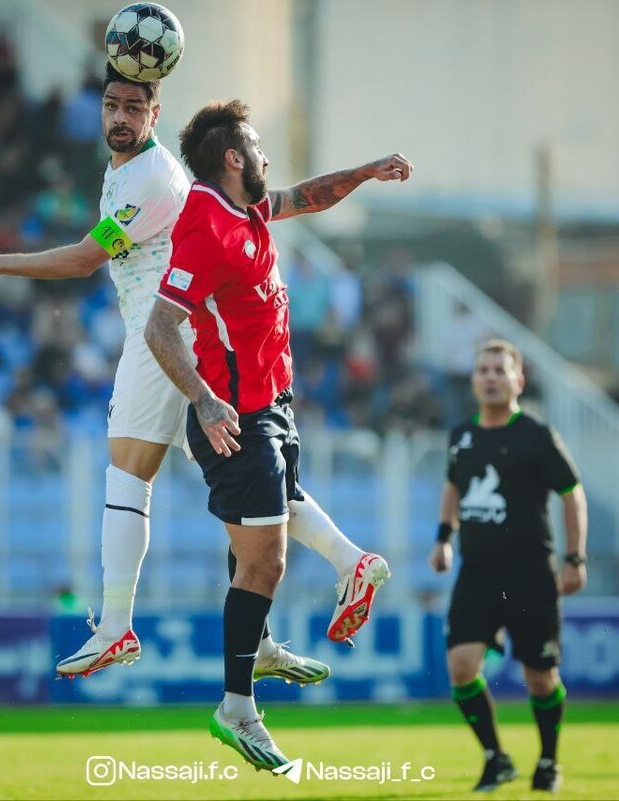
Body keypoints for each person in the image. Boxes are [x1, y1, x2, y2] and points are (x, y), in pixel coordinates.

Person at [0, 66, 356, 685]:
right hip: (182, 336)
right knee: (247, 484)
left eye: (134, 107)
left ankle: (115, 630)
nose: (120, 117)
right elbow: (286, 202)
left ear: (154, 115)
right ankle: (338, 573)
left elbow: (84, 259)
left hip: (167, 332)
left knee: (129, 471)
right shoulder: (127, 173)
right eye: (112, 105)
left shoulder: (155, 176)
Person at [144, 98, 410, 770]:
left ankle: (334, 576)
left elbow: (308, 195)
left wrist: (369, 170)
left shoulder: (249, 210)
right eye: (257, 146)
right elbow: (160, 326)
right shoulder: (206, 221)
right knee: (267, 561)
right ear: (233, 158)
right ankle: (237, 705)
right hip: (233, 416)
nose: (266, 157)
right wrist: (202, 399)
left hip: (272, 406)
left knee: (274, 524)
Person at [428, 339, 587, 793]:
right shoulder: (461, 435)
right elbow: (453, 486)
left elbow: (572, 494)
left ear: (518, 380)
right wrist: (443, 537)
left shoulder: (536, 436)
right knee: (461, 667)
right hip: (477, 572)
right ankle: (495, 757)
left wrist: (575, 558)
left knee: (540, 677)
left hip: (530, 572)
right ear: (474, 380)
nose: (491, 377)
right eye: (483, 370)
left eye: (500, 369)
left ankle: (549, 761)